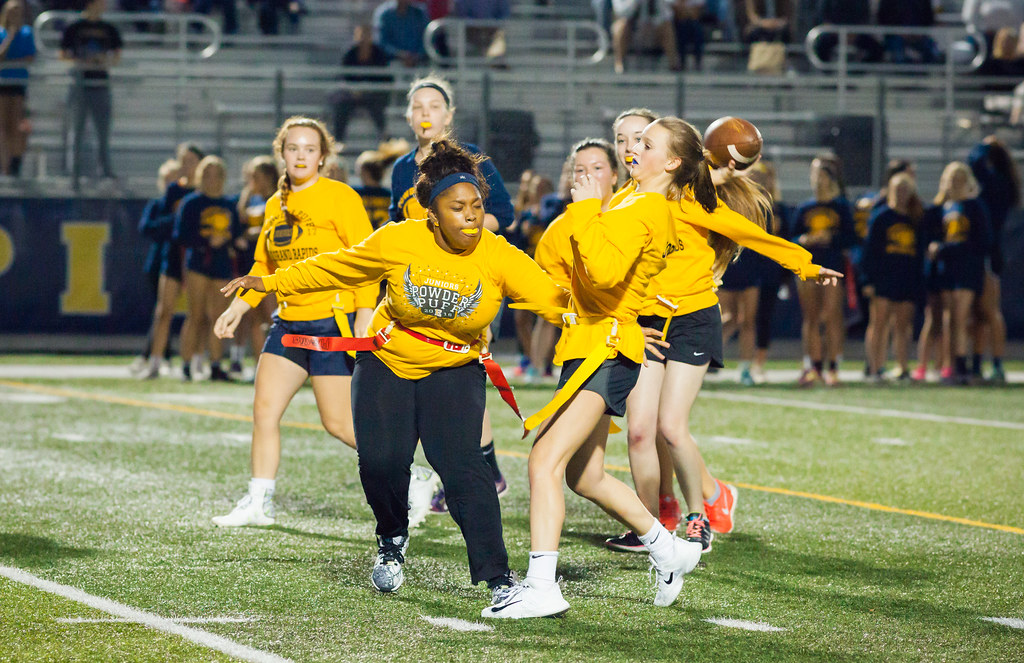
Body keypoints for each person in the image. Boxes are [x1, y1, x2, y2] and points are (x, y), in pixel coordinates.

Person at [220, 138, 568, 603]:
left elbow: (557, 303)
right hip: (386, 361)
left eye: (477, 206)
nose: (470, 216)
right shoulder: (400, 238)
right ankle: (391, 538)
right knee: (381, 462)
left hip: (454, 368)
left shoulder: (498, 253)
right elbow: (336, 267)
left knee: (466, 470)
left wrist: (616, 319)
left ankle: (500, 580)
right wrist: (267, 283)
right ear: (432, 213)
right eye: (457, 207)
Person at [212, 117, 377, 528]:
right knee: (264, 411)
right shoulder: (273, 203)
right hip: (287, 324)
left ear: (323, 156)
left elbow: (367, 260)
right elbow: (264, 265)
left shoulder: (340, 197)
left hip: (330, 324)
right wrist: (240, 306)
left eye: (309, 149)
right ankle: (259, 501)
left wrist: (364, 312)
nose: (300, 156)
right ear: (281, 153)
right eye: (293, 148)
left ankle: (410, 474)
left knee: (338, 424)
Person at [389, 75, 516, 517]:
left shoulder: (472, 162)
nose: (425, 113)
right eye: (417, 105)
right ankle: (483, 473)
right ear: (408, 116)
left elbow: (504, 216)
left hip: (469, 283)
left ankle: (477, 476)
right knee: (435, 384)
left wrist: (460, 234)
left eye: (434, 105)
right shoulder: (401, 168)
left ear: (449, 115)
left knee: (462, 375)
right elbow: (394, 231)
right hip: (420, 289)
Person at [138, 142, 205, 380]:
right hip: (173, 255)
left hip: (198, 255)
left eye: (192, 161)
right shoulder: (174, 191)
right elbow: (160, 224)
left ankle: (196, 360)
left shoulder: (205, 192)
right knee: (164, 310)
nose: (187, 166)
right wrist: (178, 221)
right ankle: (155, 361)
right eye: (183, 161)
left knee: (198, 313)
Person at [172, 155, 242, 382]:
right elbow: (181, 235)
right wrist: (206, 242)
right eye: (208, 174)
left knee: (219, 317)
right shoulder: (192, 203)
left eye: (217, 175)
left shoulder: (229, 204)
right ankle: (185, 363)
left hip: (221, 264)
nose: (212, 179)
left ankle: (215, 364)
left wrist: (228, 239)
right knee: (196, 315)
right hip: (199, 263)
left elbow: (237, 233)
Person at [791, 154, 856, 386]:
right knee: (810, 318)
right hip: (809, 267)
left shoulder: (841, 207)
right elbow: (792, 238)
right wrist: (805, 239)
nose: (818, 179)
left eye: (822, 174)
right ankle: (813, 365)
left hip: (832, 265)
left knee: (831, 316)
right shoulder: (804, 207)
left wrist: (831, 237)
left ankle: (833, 366)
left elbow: (851, 237)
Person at [928, 161, 993, 385]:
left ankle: (962, 364)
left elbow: (982, 241)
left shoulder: (974, 207)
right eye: (951, 179)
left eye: (959, 179)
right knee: (948, 318)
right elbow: (930, 237)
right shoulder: (940, 208)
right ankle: (949, 365)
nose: (955, 184)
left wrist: (946, 249)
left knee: (961, 316)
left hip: (967, 269)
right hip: (946, 270)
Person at [966, 136, 1019, 382]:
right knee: (978, 312)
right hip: (982, 251)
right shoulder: (1004, 181)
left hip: (988, 252)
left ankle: (997, 364)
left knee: (989, 310)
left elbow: (973, 163)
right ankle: (977, 363)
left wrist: (984, 145)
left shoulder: (996, 183)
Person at [862, 173, 925, 381]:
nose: (901, 194)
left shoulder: (915, 219)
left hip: (907, 278)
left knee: (903, 326)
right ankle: (875, 367)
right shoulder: (881, 217)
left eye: (905, 190)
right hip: (883, 277)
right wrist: (868, 280)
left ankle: (902, 367)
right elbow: (869, 251)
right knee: (879, 323)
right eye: (897, 189)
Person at [59, 0, 122, 188]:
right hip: (79, 83)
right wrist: (81, 60)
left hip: (100, 83)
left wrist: (102, 60)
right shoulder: (75, 27)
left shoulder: (108, 28)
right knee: (76, 132)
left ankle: (106, 172)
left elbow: (117, 56)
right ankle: (75, 175)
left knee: (103, 132)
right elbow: (63, 54)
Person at [130, 157, 182, 379]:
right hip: (159, 262)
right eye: (168, 179)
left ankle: (154, 355)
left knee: (168, 311)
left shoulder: (186, 201)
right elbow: (147, 228)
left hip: (181, 261)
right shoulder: (158, 205)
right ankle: (158, 355)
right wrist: (174, 220)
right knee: (162, 311)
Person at [228, 155, 280, 378]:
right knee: (254, 318)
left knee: (272, 317)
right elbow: (237, 228)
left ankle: (280, 366)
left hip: (271, 267)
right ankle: (261, 368)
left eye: (256, 176)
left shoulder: (278, 199)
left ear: (268, 177)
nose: (251, 180)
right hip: (249, 263)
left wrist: (255, 233)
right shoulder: (248, 199)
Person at [331, 24, 391, 144]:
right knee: (342, 105)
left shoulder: (379, 53)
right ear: (356, 36)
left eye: (367, 35)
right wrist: (353, 90)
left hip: (374, 93)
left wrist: (370, 89)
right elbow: (343, 76)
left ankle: (384, 138)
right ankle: (339, 141)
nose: (364, 38)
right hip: (352, 94)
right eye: (361, 35)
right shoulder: (349, 53)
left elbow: (386, 78)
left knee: (376, 105)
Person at [0, 0, 34, 177]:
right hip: (2, 84)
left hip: (18, 84)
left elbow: (29, 57)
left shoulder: (28, 33)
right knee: (3, 126)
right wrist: (10, 36)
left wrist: (8, 63)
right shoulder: (1, 33)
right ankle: (4, 166)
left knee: (16, 125)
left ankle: (14, 164)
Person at [373, 0, 430, 68]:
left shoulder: (419, 13)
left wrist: (416, 55)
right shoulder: (384, 14)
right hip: (392, 62)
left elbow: (426, 38)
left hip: (419, 62)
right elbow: (382, 42)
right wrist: (400, 54)